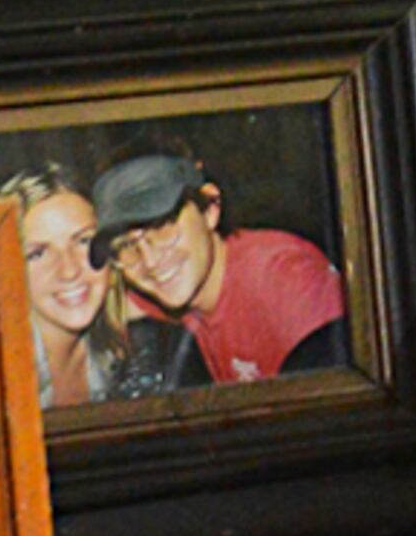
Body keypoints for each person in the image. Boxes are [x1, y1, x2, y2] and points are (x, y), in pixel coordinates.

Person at [89, 146, 351, 387]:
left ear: (210, 208)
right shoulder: (173, 287)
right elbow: (93, 300)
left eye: (162, 227)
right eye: (124, 245)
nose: (149, 260)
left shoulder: (284, 280)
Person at [9, 173, 125, 414]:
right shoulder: (2, 382)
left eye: (83, 241)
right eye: (38, 254)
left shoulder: (122, 353)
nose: (69, 270)